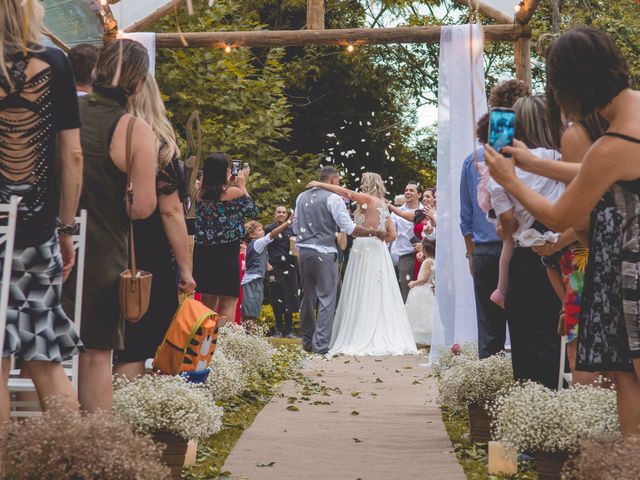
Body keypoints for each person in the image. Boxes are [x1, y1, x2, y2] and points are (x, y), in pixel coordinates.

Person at [485, 27, 640, 434]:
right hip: (623, 263)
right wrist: (531, 164)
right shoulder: (633, 116)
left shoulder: (613, 144)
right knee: (626, 376)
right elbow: (597, 171)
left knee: (633, 378)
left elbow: (559, 215)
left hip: (632, 270)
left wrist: (510, 179)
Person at [62, 39, 158, 413]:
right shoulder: (135, 131)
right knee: (96, 353)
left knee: (42, 353)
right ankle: (95, 444)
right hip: (101, 252)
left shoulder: (64, 110)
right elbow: (143, 208)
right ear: (137, 84)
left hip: (50, 245)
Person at [0, 0, 84, 423]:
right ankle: (73, 463)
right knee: (45, 356)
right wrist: (65, 228)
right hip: (35, 235)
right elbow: (72, 155)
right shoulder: (54, 62)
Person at [113, 73, 196, 380]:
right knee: (147, 340)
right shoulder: (161, 147)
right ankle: (135, 411)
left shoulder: (106, 135)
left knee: (115, 339)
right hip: (147, 253)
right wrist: (186, 269)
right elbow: (171, 212)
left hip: (110, 243)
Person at [487, 94, 564, 390]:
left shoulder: (503, 168)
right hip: (562, 254)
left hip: (524, 258)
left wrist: (504, 226)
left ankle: (531, 403)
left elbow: (507, 227)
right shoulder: (561, 157)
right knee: (558, 334)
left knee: (525, 340)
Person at [307, 172, 418, 356]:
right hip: (379, 250)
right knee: (378, 291)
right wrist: (379, 235)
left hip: (364, 248)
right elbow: (392, 236)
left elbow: (346, 193)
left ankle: (361, 333)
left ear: (369, 184)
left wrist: (320, 184)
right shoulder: (383, 204)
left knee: (361, 289)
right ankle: (381, 330)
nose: (361, 185)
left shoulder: (367, 199)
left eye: (363, 182)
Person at [293, 167, 388, 355]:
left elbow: (296, 225)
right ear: (334, 179)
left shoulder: (301, 197)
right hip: (324, 252)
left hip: (303, 251)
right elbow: (349, 227)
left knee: (307, 297)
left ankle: (306, 341)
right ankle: (320, 345)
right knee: (327, 299)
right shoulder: (333, 198)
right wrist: (374, 232)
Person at [193, 153, 257, 325]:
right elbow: (252, 212)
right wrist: (242, 185)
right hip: (226, 252)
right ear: (225, 171)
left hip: (203, 252)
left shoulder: (198, 194)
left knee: (207, 300)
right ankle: (222, 343)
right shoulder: (233, 192)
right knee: (228, 301)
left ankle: (205, 343)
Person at [241, 219, 292, 328]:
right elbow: (272, 234)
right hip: (253, 281)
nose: (262, 231)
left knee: (250, 311)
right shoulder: (258, 243)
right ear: (251, 234)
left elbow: (262, 262)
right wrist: (287, 223)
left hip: (252, 279)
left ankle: (247, 336)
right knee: (251, 312)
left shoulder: (253, 245)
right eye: (259, 230)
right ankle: (250, 337)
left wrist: (268, 265)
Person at [265, 206, 300, 338]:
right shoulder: (270, 229)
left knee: (289, 297)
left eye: (283, 212)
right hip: (275, 267)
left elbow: (296, 248)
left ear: (286, 214)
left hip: (290, 267)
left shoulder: (293, 230)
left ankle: (289, 330)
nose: (281, 214)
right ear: (275, 214)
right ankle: (278, 329)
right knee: (276, 297)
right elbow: (264, 247)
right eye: (278, 212)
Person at [390, 181, 423, 301]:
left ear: (419, 195)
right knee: (406, 289)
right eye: (406, 190)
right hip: (406, 256)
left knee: (424, 289)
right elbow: (392, 233)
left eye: (411, 190)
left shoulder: (424, 210)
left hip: (426, 256)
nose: (408, 192)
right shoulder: (396, 213)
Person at [405, 238, 435, 346]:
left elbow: (424, 279)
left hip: (423, 289)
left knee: (421, 314)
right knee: (422, 313)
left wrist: (414, 283)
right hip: (426, 289)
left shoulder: (428, 261)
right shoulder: (430, 260)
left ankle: (422, 339)